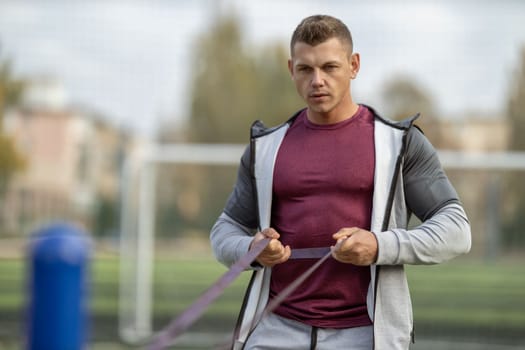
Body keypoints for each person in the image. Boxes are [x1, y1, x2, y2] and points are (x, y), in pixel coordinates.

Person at [210, 14, 471, 350]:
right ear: (291, 69)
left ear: (354, 65)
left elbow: (456, 231)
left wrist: (379, 245)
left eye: (330, 67)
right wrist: (251, 249)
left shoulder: (400, 145)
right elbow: (223, 232)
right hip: (274, 330)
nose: (317, 80)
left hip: (366, 335)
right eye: (305, 69)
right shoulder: (265, 149)